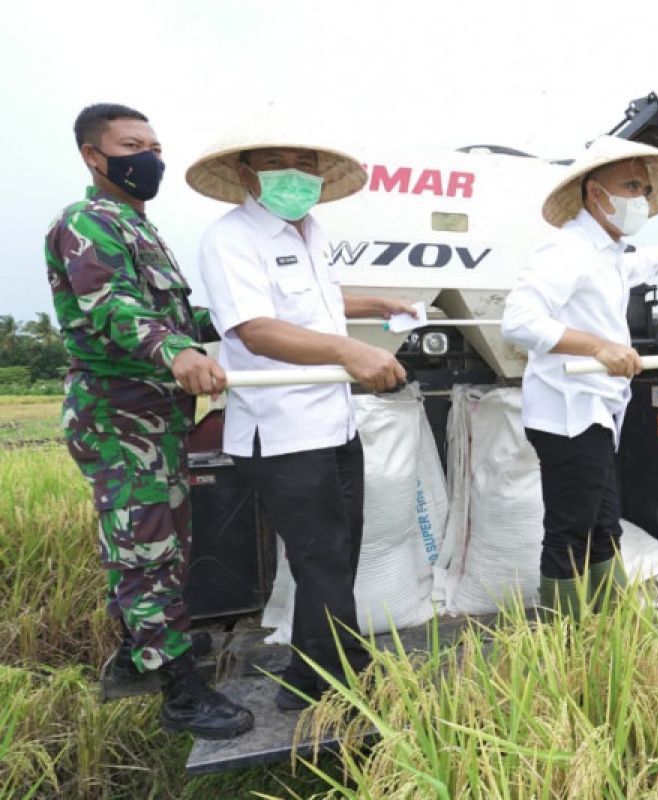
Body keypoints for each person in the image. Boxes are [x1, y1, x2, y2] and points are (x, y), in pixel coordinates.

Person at [44, 103, 253, 739]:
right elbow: (114, 309)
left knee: (164, 546)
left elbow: (178, 318)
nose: (150, 157)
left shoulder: (141, 228)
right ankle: (182, 694)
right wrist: (177, 351)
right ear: (93, 156)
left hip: (155, 420)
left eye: (156, 146)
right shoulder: (87, 222)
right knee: (146, 551)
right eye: (133, 145)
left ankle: (147, 655)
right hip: (118, 419)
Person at [189, 122, 412, 711]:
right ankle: (340, 679)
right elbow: (256, 329)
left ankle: (313, 674)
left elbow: (318, 300)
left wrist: (376, 305)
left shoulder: (310, 232)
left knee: (338, 555)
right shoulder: (231, 239)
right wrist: (348, 350)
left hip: (333, 422)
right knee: (320, 557)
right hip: (282, 429)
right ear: (245, 172)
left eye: (304, 160)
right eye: (276, 160)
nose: (294, 171)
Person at [502, 136, 658, 619]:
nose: (640, 196)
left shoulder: (606, 252)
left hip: (595, 410)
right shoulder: (566, 250)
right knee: (572, 530)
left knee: (604, 526)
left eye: (644, 187)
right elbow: (518, 320)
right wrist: (598, 346)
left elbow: (634, 267)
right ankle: (563, 640)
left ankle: (607, 628)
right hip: (567, 413)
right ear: (596, 193)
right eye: (630, 185)